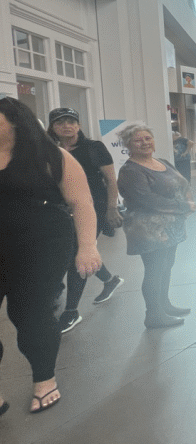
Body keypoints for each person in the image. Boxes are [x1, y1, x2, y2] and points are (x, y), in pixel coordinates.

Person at [0, 97, 102, 414]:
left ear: (14, 121)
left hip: (40, 245)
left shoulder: (49, 156)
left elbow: (82, 202)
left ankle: (44, 379)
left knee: (29, 314)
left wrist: (88, 246)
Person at [47, 108, 124, 333]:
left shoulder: (94, 148)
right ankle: (109, 279)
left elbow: (111, 180)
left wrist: (112, 208)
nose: (67, 126)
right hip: (61, 209)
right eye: (60, 122)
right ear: (52, 127)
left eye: (71, 121)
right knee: (72, 252)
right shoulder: (49, 151)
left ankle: (71, 311)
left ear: (79, 125)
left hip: (93, 208)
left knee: (75, 256)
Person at [117, 123, 195, 329]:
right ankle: (153, 314)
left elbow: (181, 183)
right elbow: (147, 200)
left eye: (147, 138)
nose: (144, 143)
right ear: (128, 145)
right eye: (138, 140)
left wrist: (186, 199)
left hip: (171, 226)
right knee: (154, 269)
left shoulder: (161, 162)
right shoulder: (131, 170)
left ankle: (164, 305)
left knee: (166, 266)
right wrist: (183, 205)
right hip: (148, 229)